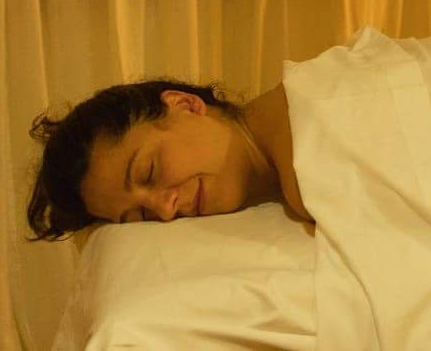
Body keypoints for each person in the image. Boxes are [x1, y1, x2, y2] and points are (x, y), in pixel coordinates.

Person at [25, 77, 309, 239]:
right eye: (142, 215)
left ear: (184, 104)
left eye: (149, 172)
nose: (165, 210)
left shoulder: (307, 167)